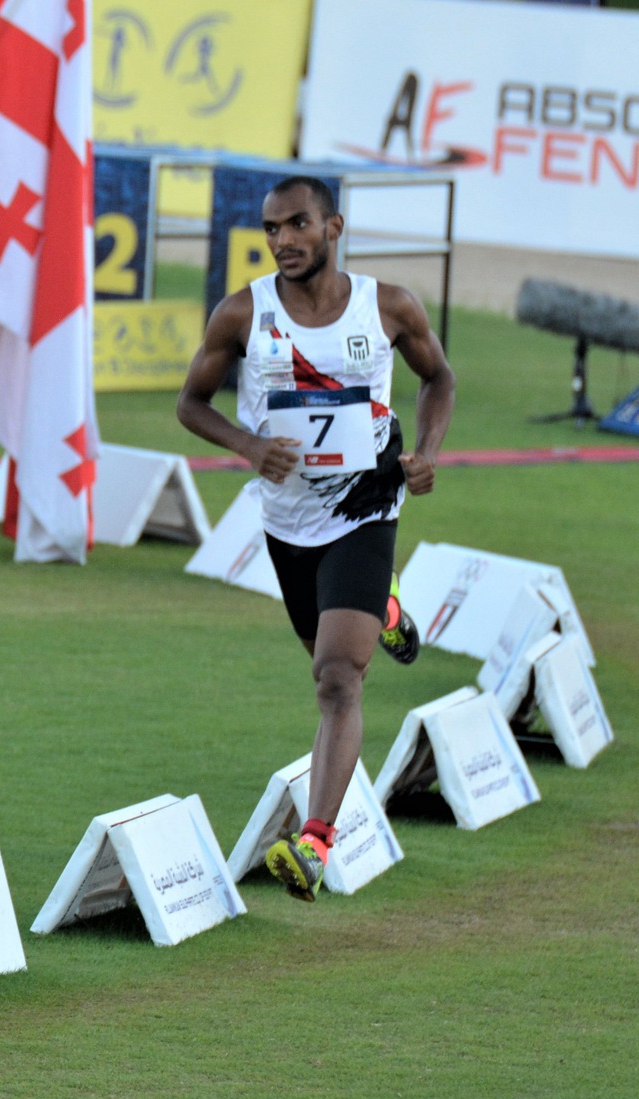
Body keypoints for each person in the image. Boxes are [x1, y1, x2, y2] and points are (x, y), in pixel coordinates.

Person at [177, 174, 455, 901]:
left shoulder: (388, 307)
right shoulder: (243, 314)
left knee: (337, 680)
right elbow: (190, 402)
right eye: (271, 230)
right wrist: (245, 444)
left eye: (297, 225)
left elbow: (440, 379)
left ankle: (314, 843)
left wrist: (426, 451)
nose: (283, 242)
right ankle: (384, 608)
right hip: (288, 524)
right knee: (328, 659)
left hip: (366, 509)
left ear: (333, 226)